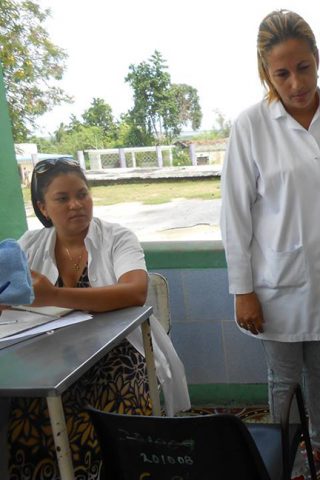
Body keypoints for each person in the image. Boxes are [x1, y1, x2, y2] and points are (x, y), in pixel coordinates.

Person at [220, 10, 320, 479]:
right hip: (275, 282)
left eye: (303, 67)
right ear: (266, 73)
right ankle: (284, 456)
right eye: (281, 73)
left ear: (317, 60)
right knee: (283, 378)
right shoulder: (250, 126)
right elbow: (235, 213)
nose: (295, 82)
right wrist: (242, 289)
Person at [6, 157, 190, 480]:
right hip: (51, 361)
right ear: (43, 208)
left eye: (83, 194)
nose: (76, 205)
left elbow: (134, 292)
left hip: (120, 356)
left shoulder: (117, 238)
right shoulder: (29, 246)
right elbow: (10, 296)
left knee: (103, 422)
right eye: (62, 199)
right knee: (26, 419)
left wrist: (55, 296)